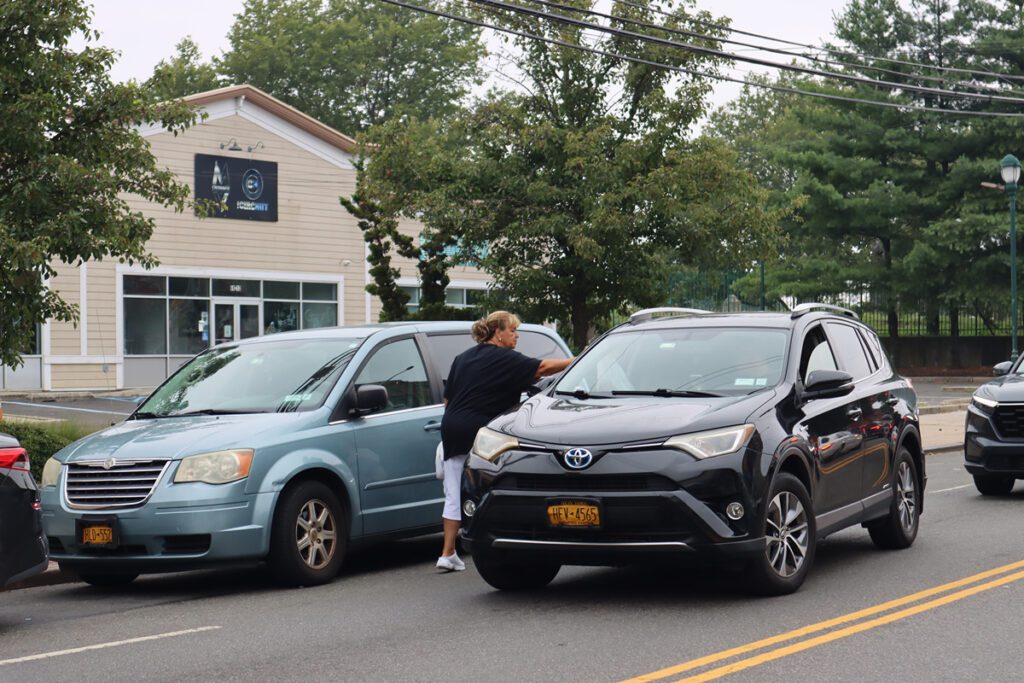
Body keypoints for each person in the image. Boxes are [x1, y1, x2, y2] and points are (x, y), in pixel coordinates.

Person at [436, 311, 574, 571]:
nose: (517, 335)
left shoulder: (462, 358)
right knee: (490, 485)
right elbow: (543, 368)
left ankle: (447, 553)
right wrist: (577, 360)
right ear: (498, 333)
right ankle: (499, 541)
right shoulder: (504, 358)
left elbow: (447, 400)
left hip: (452, 427)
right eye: (512, 331)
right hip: (481, 431)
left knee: (454, 491)